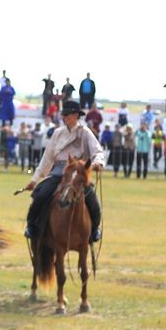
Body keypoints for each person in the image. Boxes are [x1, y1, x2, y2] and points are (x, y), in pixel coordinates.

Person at [23, 101, 105, 243]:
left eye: (67, 114)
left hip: (78, 173)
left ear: (75, 115)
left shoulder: (85, 132)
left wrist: (97, 163)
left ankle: (94, 229)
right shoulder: (57, 133)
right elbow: (47, 158)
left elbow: (97, 151)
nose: (64, 117)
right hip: (59, 171)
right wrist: (34, 180)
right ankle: (32, 226)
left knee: (92, 201)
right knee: (40, 195)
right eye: (63, 114)